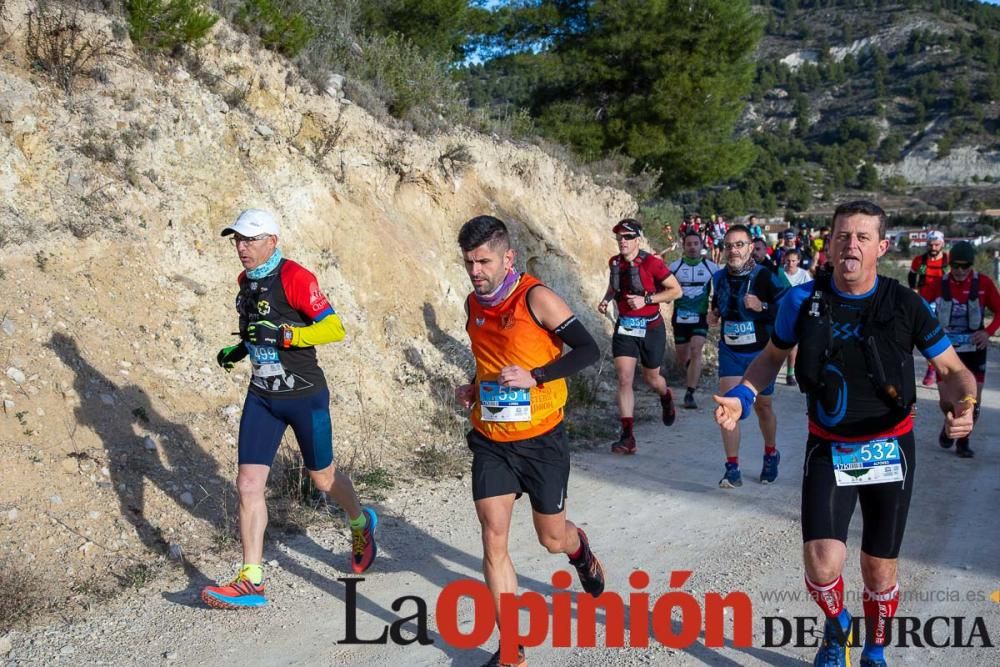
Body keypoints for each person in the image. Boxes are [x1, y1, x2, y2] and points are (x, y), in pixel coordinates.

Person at [713, 200, 976, 667]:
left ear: (881, 245)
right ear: (829, 243)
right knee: (820, 564)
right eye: (842, 236)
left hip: (890, 447)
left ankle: (874, 648)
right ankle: (838, 632)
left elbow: (953, 370)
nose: (850, 245)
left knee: (878, 570)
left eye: (862, 237)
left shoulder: (905, 303)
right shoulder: (802, 300)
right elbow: (771, 358)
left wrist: (965, 404)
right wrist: (745, 394)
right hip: (829, 447)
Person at [201, 209, 378, 609]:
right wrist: (239, 348)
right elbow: (255, 330)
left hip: (304, 396)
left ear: (272, 241)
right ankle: (251, 580)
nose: (241, 247)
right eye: (237, 240)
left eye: (249, 240)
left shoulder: (296, 277)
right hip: (263, 396)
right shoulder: (245, 282)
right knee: (247, 484)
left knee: (323, 479)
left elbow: (334, 328)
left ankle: (359, 520)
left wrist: (287, 334)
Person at [453, 215, 605, 667]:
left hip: (541, 440)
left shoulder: (537, 298)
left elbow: (589, 350)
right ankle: (511, 649)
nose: (476, 271)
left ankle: (581, 552)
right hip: (492, 439)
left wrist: (536, 376)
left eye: (484, 261)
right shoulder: (473, 304)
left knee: (551, 538)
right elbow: (491, 361)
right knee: (493, 538)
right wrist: (473, 386)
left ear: (508, 258)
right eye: (469, 262)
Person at [708, 224, 786, 487]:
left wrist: (762, 305)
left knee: (763, 407)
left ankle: (770, 453)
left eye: (739, 245)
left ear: (751, 247)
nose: (733, 250)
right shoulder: (718, 278)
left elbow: (787, 307)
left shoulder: (766, 276)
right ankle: (732, 468)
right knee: (727, 406)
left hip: (761, 353)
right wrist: (713, 315)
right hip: (730, 350)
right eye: (728, 246)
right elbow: (717, 306)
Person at [598, 219, 683, 454]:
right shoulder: (615, 262)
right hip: (626, 327)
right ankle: (627, 436)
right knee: (625, 379)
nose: (622, 242)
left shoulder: (652, 264)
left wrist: (646, 300)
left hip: (651, 328)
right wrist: (606, 299)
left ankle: (665, 396)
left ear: (637, 239)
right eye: (619, 238)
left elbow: (676, 290)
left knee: (651, 379)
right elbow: (615, 286)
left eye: (627, 237)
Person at [927, 241, 1000, 458]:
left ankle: (964, 441)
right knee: (948, 400)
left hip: (974, 348)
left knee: (972, 402)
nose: (960, 271)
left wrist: (987, 332)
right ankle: (949, 424)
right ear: (949, 265)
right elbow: (919, 308)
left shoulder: (984, 284)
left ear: (972, 265)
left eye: (965, 266)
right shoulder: (936, 282)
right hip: (946, 351)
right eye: (955, 266)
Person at [668, 232, 720, 409]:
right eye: (689, 244)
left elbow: (721, 291)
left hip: (699, 317)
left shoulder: (711, 267)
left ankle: (690, 393)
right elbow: (664, 288)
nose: (692, 247)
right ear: (684, 246)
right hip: (680, 317)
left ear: (701, 246)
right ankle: (694, 371)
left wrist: (716, 311)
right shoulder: (674, 266)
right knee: (684, 357)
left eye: (695, 243)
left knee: (696, 350)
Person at [908, 230, 948, 386]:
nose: (933, 247)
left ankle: (942, 368)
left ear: (942, 244)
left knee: (944, 334)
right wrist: (913, 289)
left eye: (936, 244)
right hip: (926, 301)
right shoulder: (920, 261)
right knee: (927, 334)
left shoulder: (948, 261)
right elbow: (912, 276)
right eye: (931, 244)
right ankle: (932, 368)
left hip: (945, 301)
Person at [778, 249, 811, 386]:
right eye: (788, 260)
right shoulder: (779, 273)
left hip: (797, 314)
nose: (791, 263)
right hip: (779, 313)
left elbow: (810, 293)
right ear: (784, 259)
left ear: (798, 261)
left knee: (793, 345)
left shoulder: (804, 274)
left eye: (793, 261)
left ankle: (790, 373)